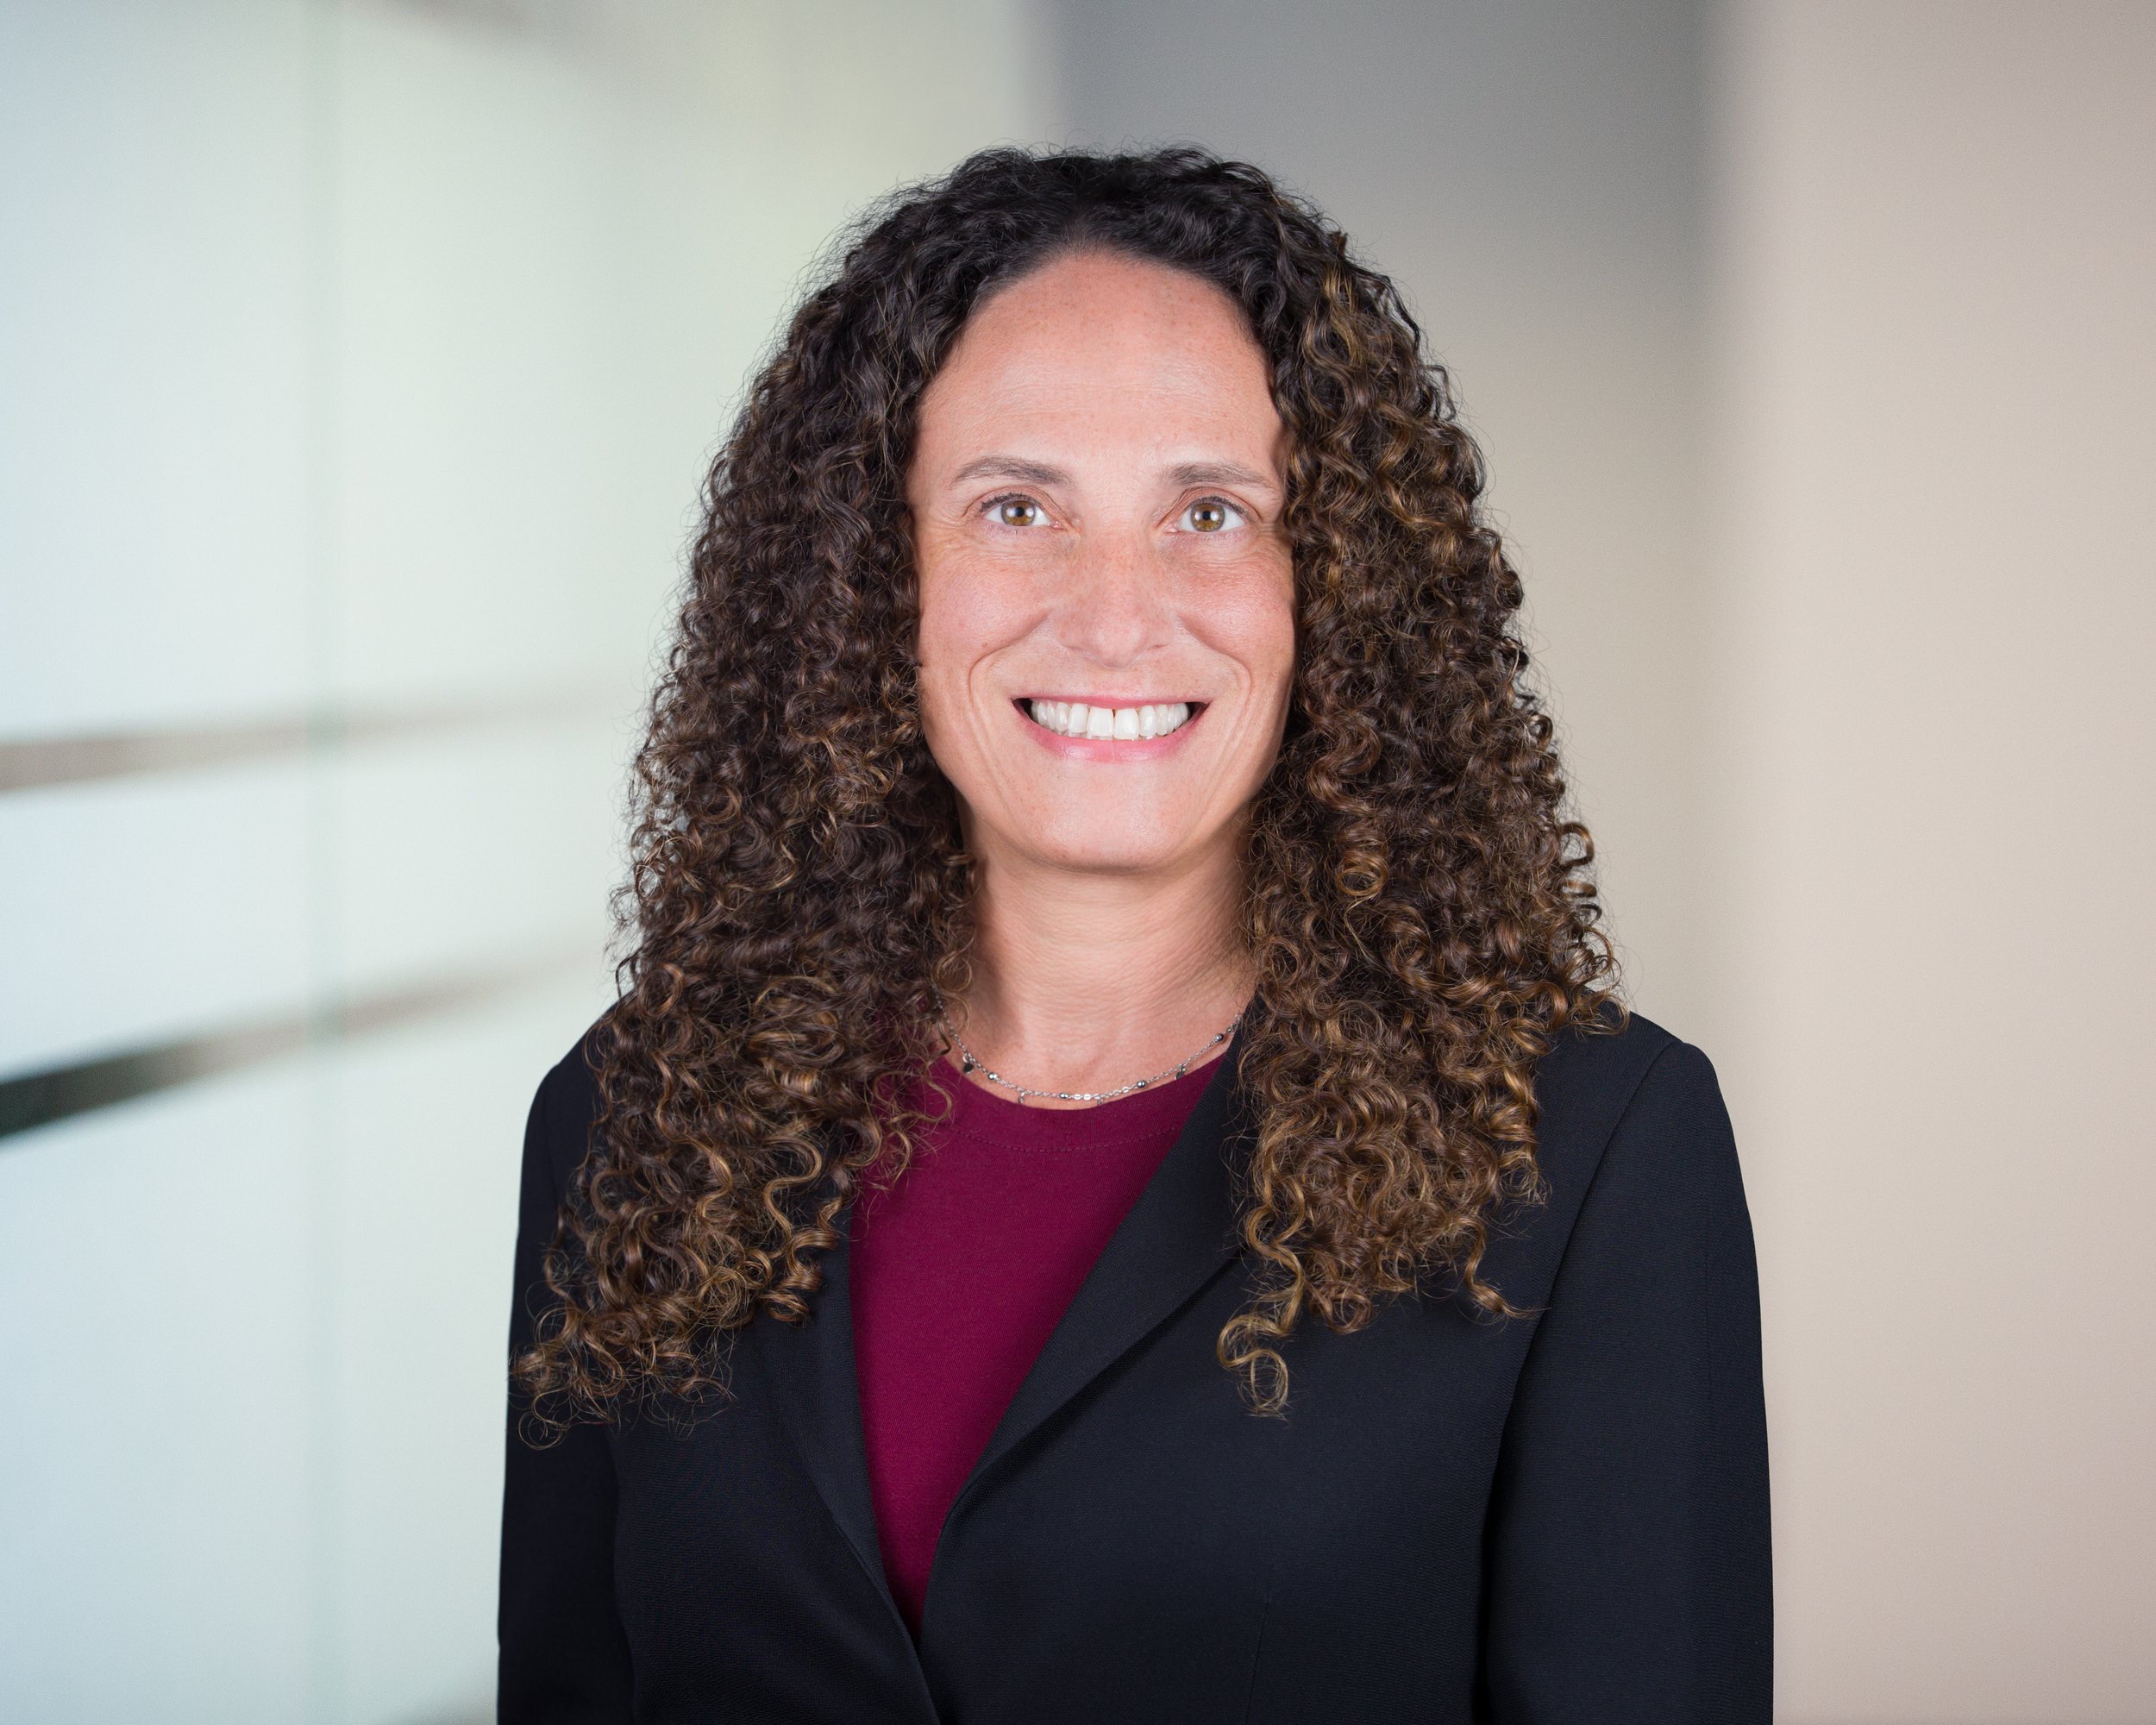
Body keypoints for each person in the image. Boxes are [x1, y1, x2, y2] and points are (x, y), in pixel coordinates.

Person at [498, 146, 1770, 1723]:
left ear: (1335, 594)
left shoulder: (1588, 1153)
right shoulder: (637, 1122)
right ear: (871, 574)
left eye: (1212, 513)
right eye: (1016, 507)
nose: (1113, 615)